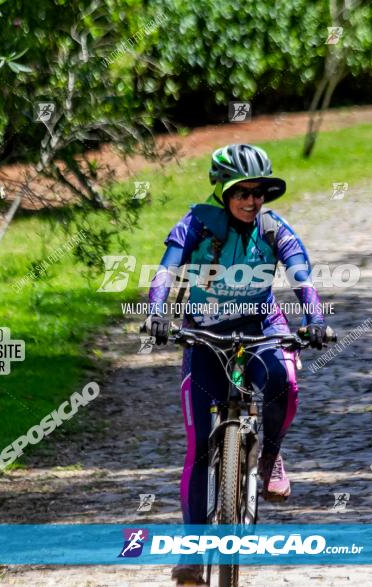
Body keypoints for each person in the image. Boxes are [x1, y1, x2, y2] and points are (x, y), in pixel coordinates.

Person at [143, 144, 332, 585]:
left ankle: (270, 455)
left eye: (259, 193)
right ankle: (192, 551)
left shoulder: (272, 227)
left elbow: (300, 273)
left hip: (260, 325)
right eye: (241, 192)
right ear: (222, 192)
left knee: (284, 378)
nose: (252, 201)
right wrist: (156, 312)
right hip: (205, 334)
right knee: (197, 446)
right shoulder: (194, 224)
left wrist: (315, 319)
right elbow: (166, 270)